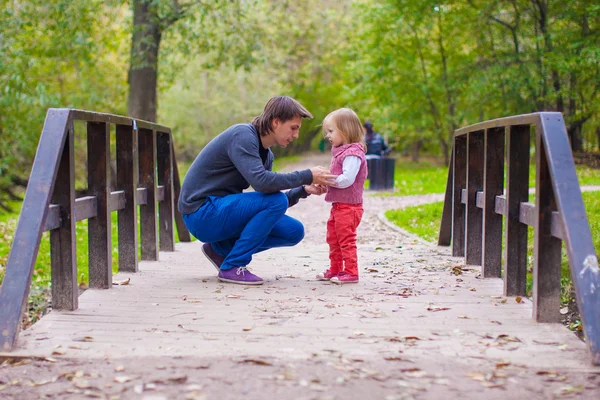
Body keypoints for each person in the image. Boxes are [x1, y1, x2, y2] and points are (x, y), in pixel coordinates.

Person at [178, 96, 336, 286]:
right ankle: (233, 266)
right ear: (276, 121)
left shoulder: (266, 154)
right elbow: (263, 184)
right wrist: (307, 175)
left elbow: (267, 200)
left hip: (219, 212)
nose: (296, 135)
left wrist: (302, 190)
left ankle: (220, 250)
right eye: (293, 128)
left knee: (293, 231)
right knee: (276, 201)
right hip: (200, 213)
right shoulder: (243, 135)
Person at [316, 108, 368, 284]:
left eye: (331, 131)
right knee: (333, 238)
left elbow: (347, 179)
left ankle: (351, 272)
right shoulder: (340, 151)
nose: (327, 136)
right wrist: (326, 181)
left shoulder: (353, 154)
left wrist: (328, 180)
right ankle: (336, 268)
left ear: (345, 131)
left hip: (349, 208)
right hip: (338, 206)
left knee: (346, 240)